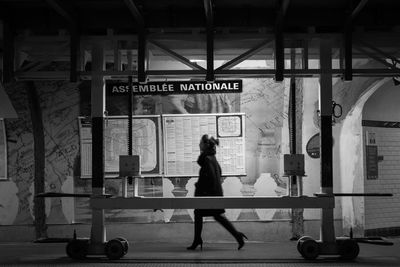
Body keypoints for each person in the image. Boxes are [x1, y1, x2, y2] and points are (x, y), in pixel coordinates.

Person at [187, 134, 248, 251]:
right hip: (213, 193)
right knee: (212, 215)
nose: (199, 144)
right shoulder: (212, 158)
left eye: (200, 143)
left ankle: (197, 240)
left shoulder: (206, 158)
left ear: (205, 145)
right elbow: (218, 173)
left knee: (202, 214)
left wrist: (199, 185)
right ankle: (237, 236)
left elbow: (209, 176)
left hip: (207, 194)